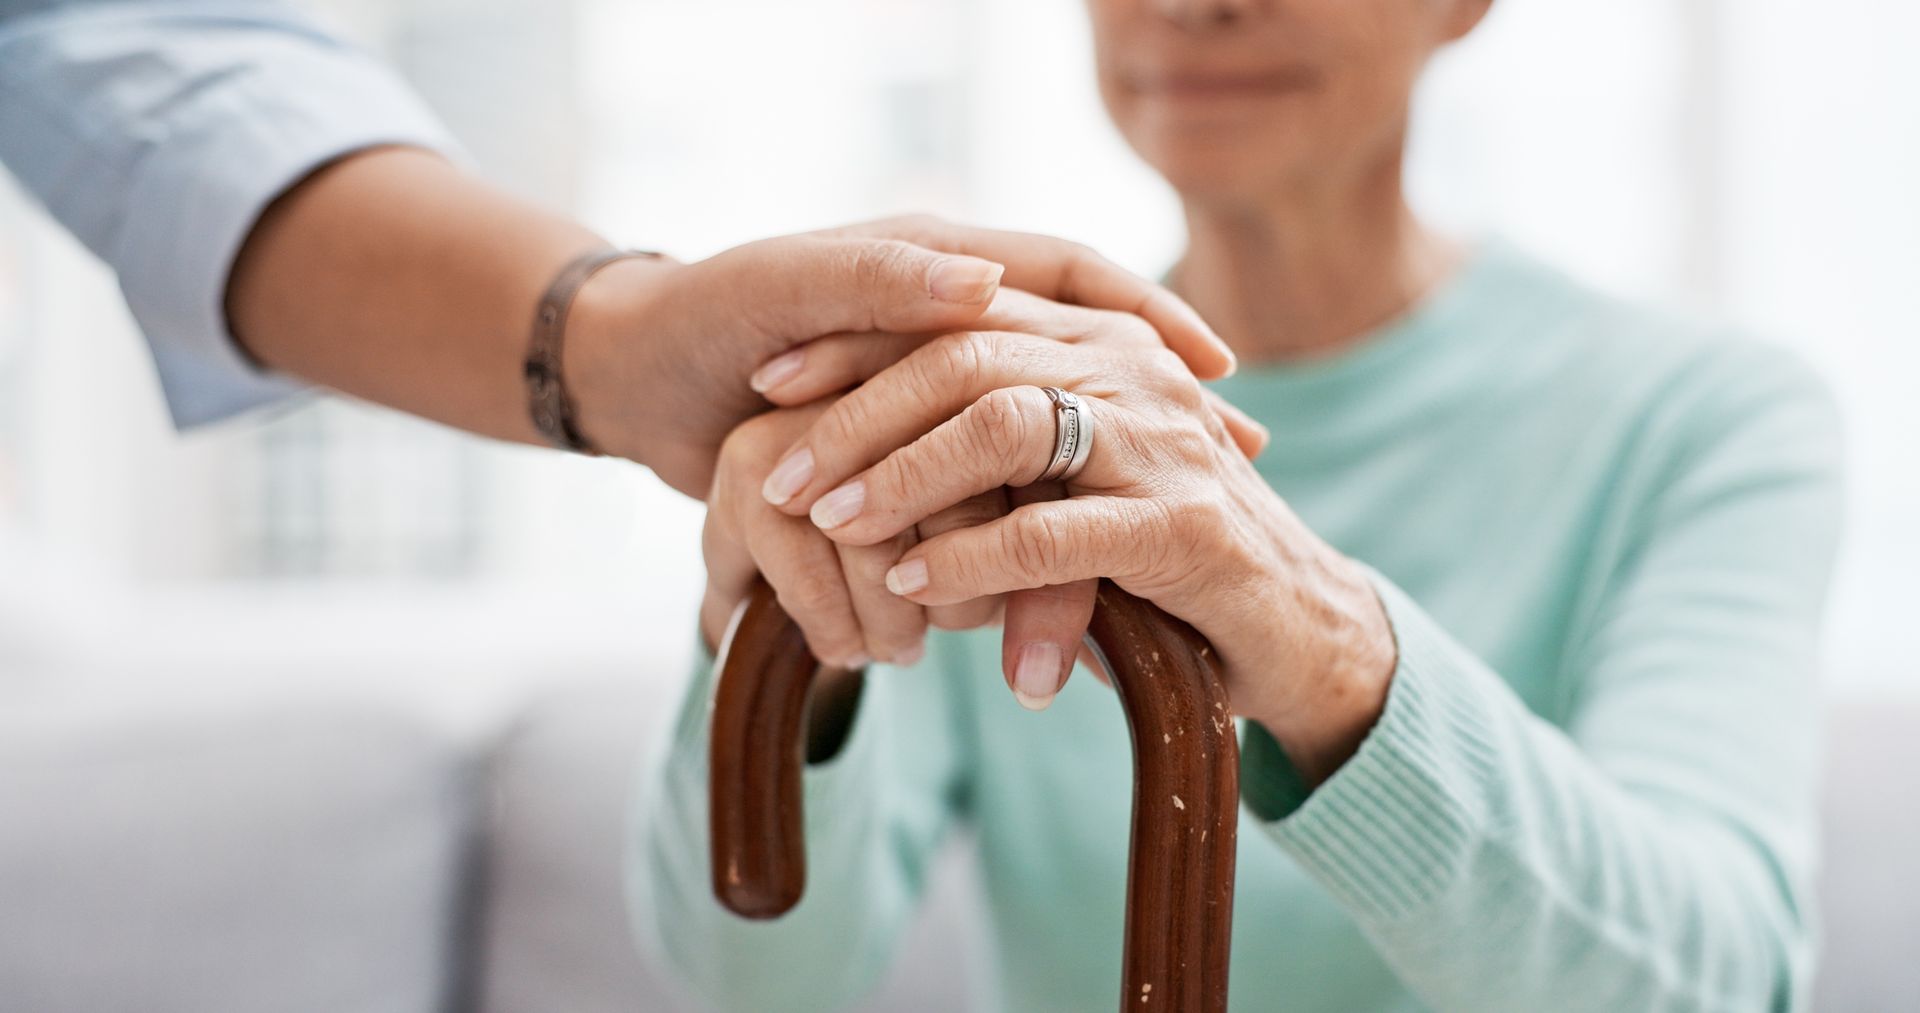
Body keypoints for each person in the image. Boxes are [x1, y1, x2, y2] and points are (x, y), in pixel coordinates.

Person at [637, 0, 1845, 1010]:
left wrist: (1324, 647)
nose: (1194, 2)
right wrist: (780, 599)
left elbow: (1718, 979)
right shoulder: (983, 422)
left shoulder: (1704, 420)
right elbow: (751, 977)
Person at [0, 0, 1235, 508]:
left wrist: (624, 342)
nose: (1205, 10)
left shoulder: (1009, 411)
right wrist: (632, 343)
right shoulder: (961, 412)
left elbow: (143, 59)